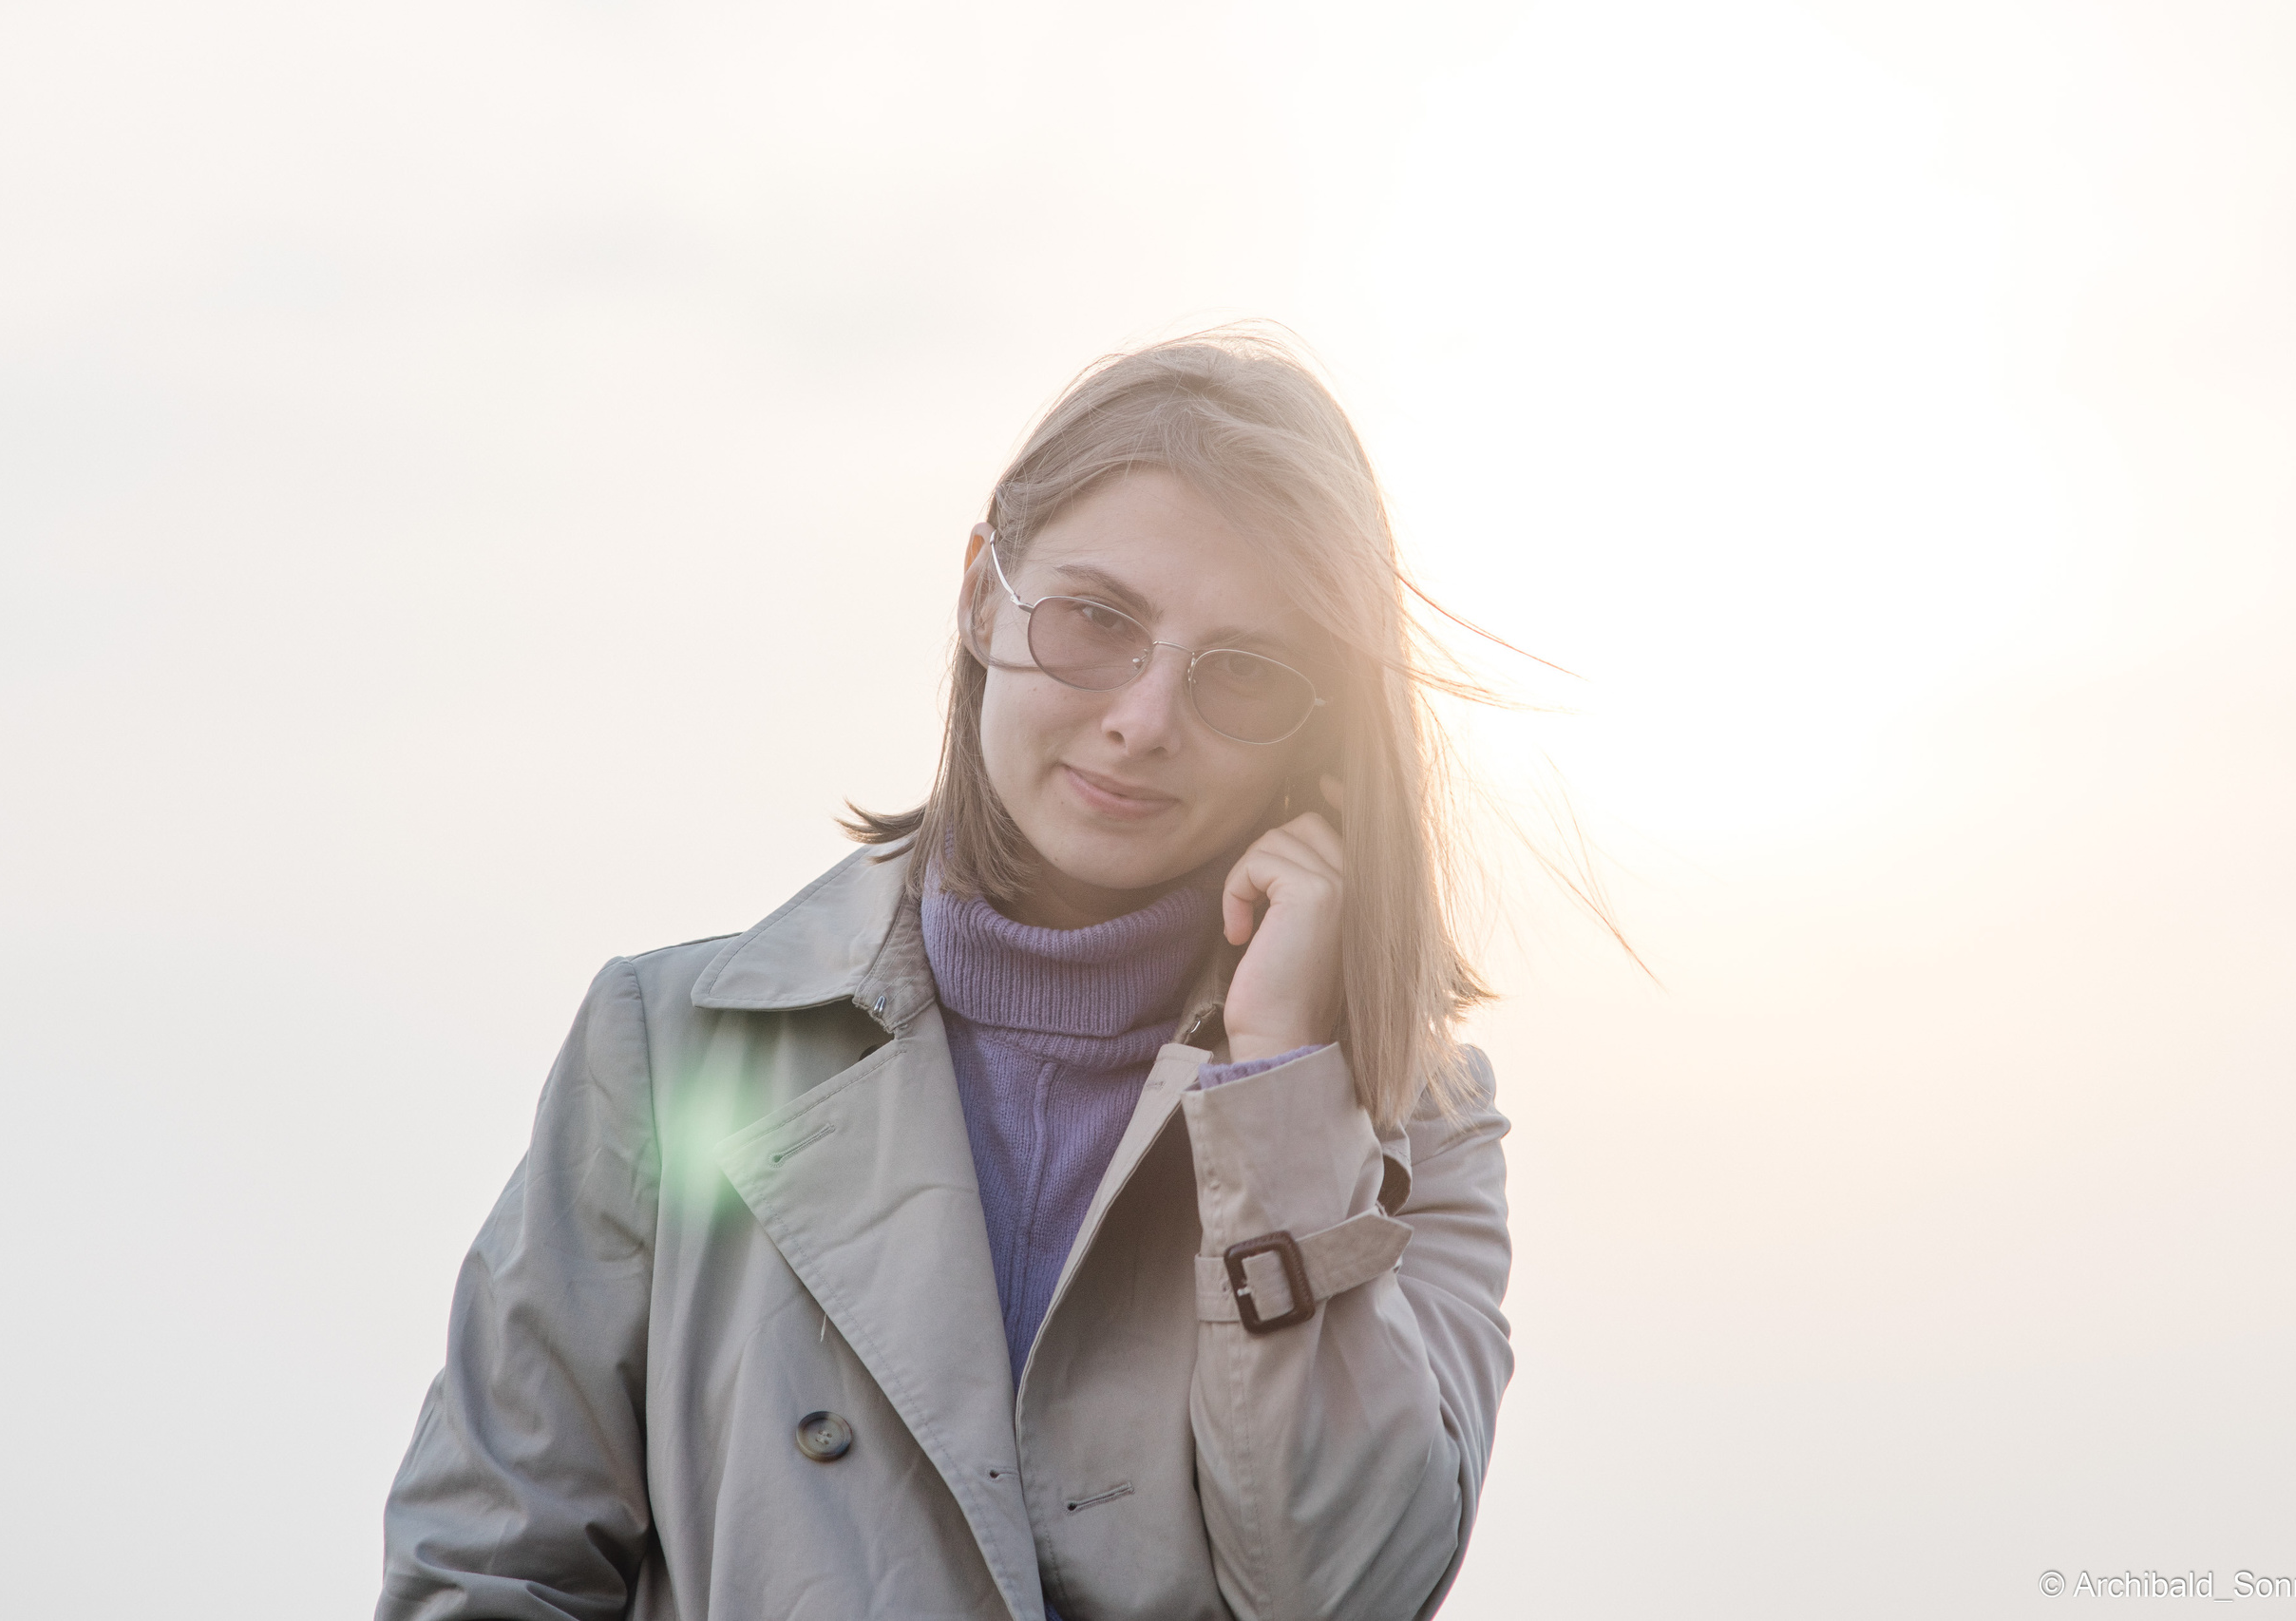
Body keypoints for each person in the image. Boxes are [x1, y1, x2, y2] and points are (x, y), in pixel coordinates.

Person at [377, 330, 1515, 1621]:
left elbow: (1351, 1592)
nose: (1145, 717)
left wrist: (1282, 1089)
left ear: (1318, 729)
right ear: (982, 594)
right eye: (1096, 619)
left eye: (1240, 672)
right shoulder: (666, 1047)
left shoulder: (1411, 1123)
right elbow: (481, 1574)